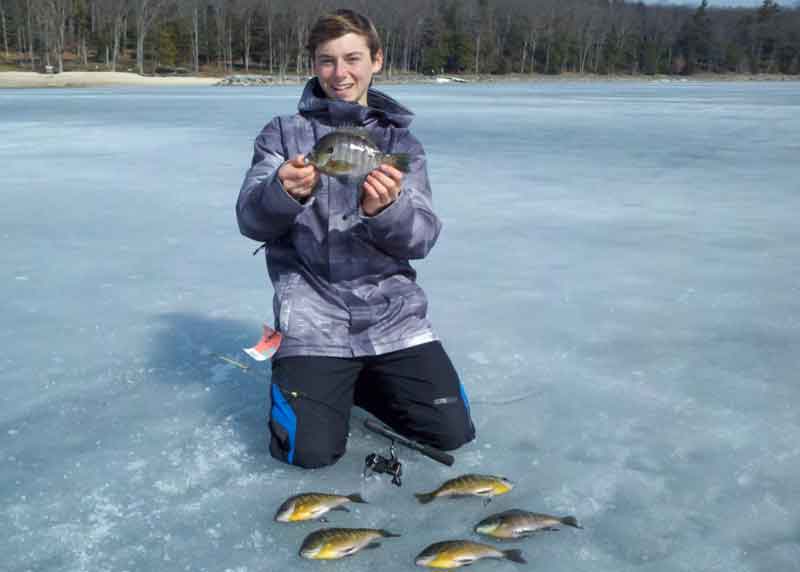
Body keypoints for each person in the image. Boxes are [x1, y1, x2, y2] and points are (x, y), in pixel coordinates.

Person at [236, 9, 475, 469]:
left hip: (392, 316)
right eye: (327, 61)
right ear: (313, 64)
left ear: (376, 60)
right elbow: (250, 219)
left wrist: (386, 210)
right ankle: (325, 383)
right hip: (312, 320)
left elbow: (422, 239)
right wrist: (282, 193)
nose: (340, 73)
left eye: (352, 59)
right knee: (307, 453)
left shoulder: (400, 145)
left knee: (452, 433)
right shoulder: (282, 134)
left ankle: (359, 383)